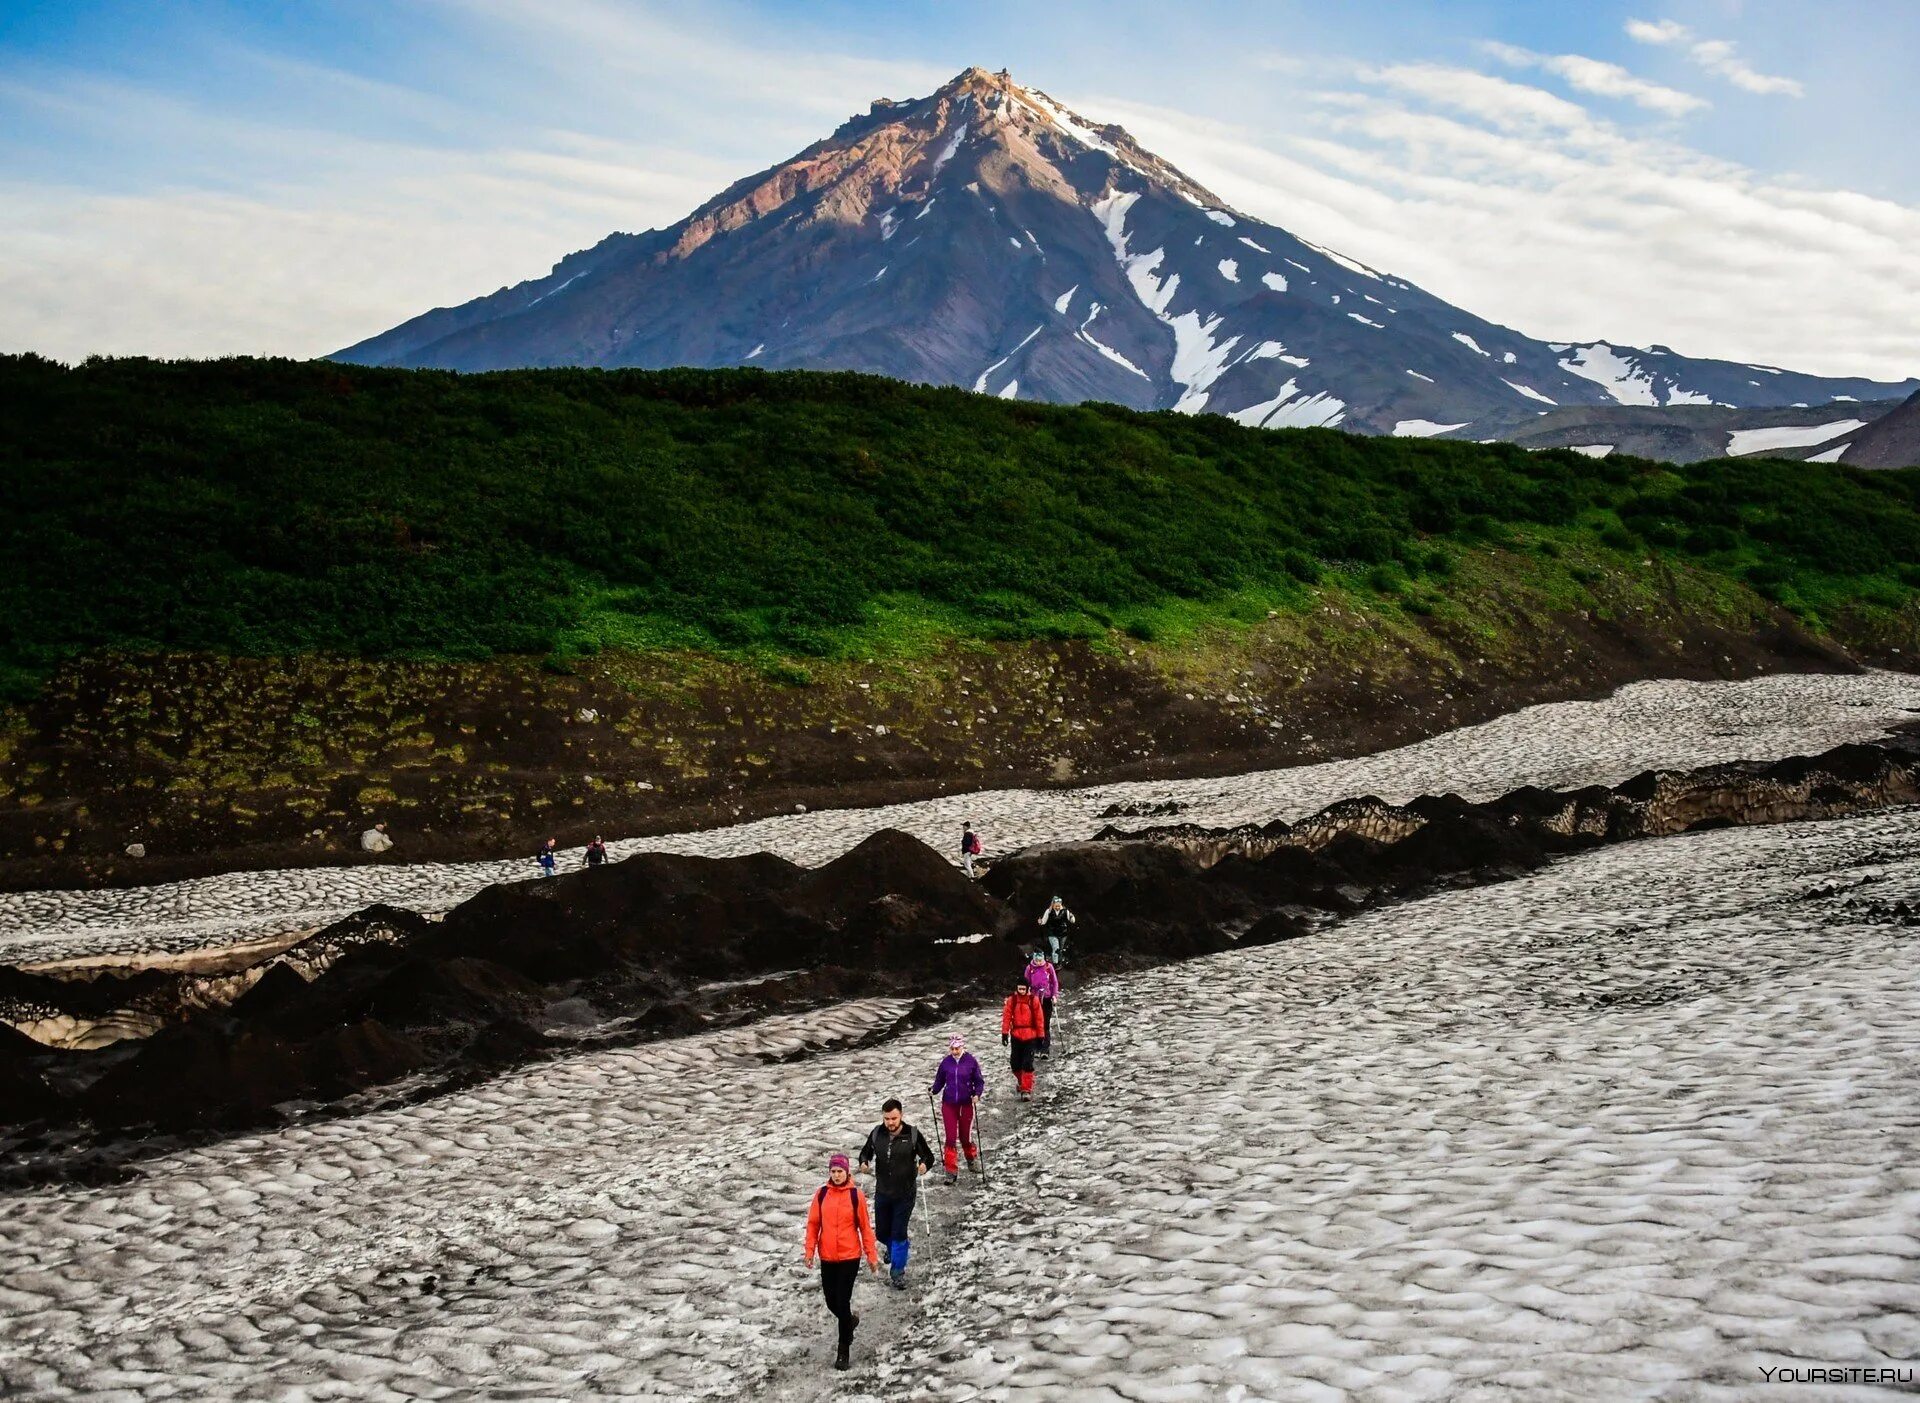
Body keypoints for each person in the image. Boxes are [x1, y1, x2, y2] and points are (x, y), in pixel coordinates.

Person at [803, 1152, 880, 1371]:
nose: (836, 1175)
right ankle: (849, 1322)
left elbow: (865, 1228)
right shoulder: (821, 1194)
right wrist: (809, 1251)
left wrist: (871, 1256)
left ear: (847, 1172)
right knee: (831, 1301)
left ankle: (843, 1350)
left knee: (843, 1300)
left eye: (840, 1171)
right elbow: (813, 1224)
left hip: (849, 1256)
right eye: (833, 1171)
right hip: (827, 1256)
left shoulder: (856, 1195)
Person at [857, 1098, 935, 1287]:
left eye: (894, 1118)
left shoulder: (912, 1134)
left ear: (901, 1116)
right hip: (883, 1191)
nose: (890, 1122)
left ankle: (898, 1272)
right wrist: (864, 1162)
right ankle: (893, 1249)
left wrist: (924, 1165)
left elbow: (928, 1156)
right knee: (882, 1233)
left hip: (905, 1193)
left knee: (899, 1232)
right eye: (887, 1119)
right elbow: (865, 1152)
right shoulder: (877, 1133)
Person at [929, 1035, 985, 1183]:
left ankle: (971, 1158)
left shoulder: (971, 1061)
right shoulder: (946, 1063)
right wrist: (933, 1090)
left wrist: (977, 1094)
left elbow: (979, 1081)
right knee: (951, 1137)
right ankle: (951, 1170)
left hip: (966, 1104)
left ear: (962, 1047)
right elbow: (939, 1081)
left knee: (965, 1136)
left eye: (957, 1048)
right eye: (952, 1049)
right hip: (949, 1104)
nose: (954, 1051)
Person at [1001, 978, 1048, 1099]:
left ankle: (1026, 1090)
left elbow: (1039, 1019)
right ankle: (1023, 1081)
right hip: (1016, 1035)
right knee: (1015, 1063)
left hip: (1031, 1036)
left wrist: (1041, 1036)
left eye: (1023, 989)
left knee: (1027, 1063)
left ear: (1027, 989)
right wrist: (1004, 1033)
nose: (1021, 991)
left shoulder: (1033, 1000)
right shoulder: (1012, 1000)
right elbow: (1006, 1017)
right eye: (1019, 989)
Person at [1023, 951, 1060, 1057]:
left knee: (1045, 1024)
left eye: (1040, 960)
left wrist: (1054, 995)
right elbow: (1025, 983)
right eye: (1036, 960)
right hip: (1034, 999)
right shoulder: (1029, 968)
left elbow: (1054, 982)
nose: (1038, 962)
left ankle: (1045, 1049)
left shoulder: (1048, 967)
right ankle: (1036, 1048)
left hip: (1047, 998)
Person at [1037, 895, 1076, 964]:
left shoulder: (1065, 911)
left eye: (1058, 906)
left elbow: (1072, 921)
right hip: (1052, 933)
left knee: (1060, 949)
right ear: (1053, 904)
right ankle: (1055, 963)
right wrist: (1040, 922)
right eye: (1056, 906)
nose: (1057, 907)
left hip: (1063, 933)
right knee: (1056, 948)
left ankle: (1059, 963)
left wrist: (1072, 917)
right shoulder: (1049, 911)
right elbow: (1043, 922)